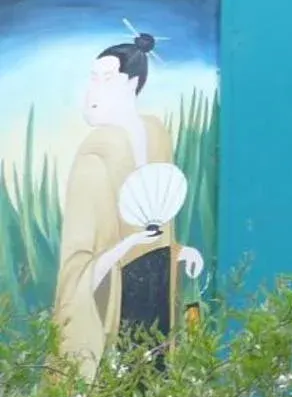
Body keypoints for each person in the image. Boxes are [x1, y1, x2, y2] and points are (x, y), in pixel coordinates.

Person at [52, 32, 203, 376]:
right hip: (116, 291)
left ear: (132, 83)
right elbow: (78, 261)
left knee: (157, 373)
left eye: (106, 79)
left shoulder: (155, 133)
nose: (93, 91)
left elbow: (159, 224)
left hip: (158, 279)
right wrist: (128, 246)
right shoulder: (95, 154)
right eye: (92, 78)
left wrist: (179, 251)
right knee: (120, 384)